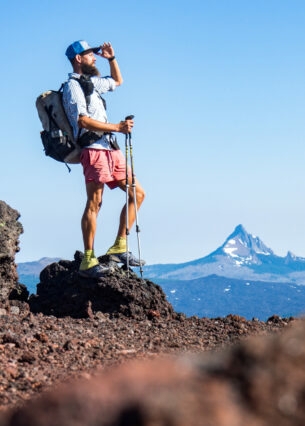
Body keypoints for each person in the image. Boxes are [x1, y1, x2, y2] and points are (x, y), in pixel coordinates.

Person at [62, 40, 145, 279]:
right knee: (95, 203)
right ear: (78, 58)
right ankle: (88, 259)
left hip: (110, 147)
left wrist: (111, 58)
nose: (94, 57)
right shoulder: (73, 86)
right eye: (90, 54)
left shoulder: (91, 83)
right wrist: (118, 127)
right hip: (94, 149)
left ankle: (119, 246)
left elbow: (117, 81)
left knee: (137, 193)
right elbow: (82, 121)